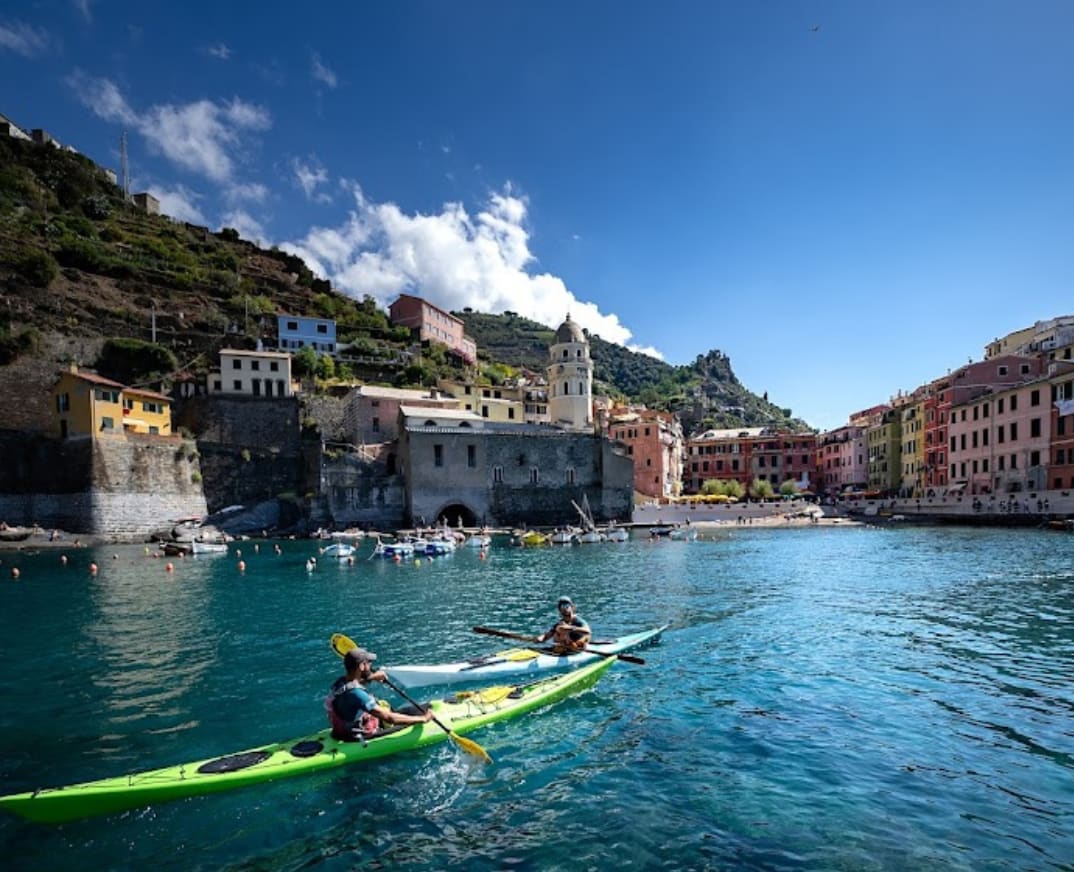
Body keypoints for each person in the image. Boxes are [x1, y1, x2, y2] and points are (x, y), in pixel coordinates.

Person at [325, 647, 433, 741]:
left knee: (419, 708)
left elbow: (354, 684)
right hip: (357, 736)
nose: (370, 665)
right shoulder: (357, 694)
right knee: (412, 716)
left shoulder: (340, 683)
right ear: (361, 666)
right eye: (368, 663)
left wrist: (373, 677)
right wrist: (423, 719)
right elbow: (390, 718)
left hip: (341, 733)